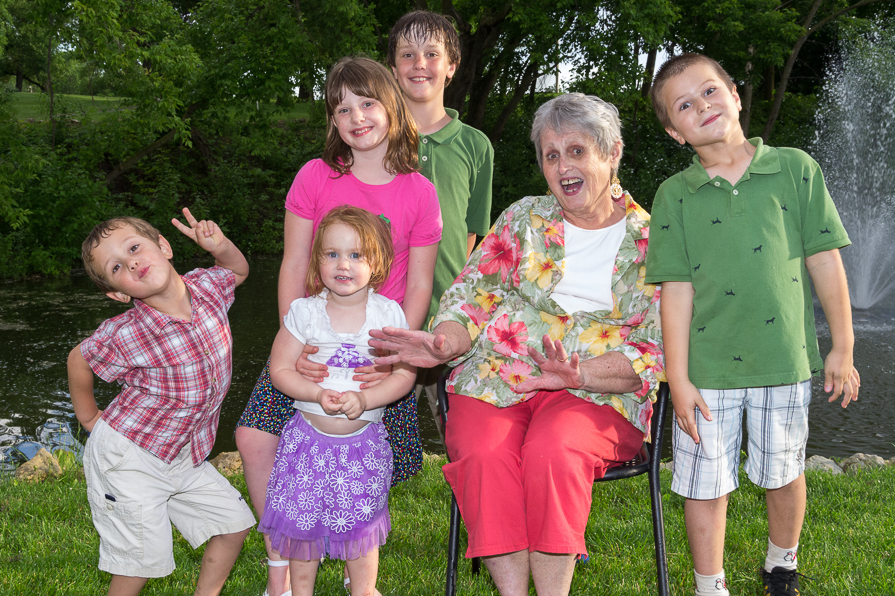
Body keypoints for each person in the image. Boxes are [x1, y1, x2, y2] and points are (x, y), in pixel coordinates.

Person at [368, 93, 665, 596]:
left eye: (577, 151)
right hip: (496, 375)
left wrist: (582, 375)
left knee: (554, 451)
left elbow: (659, 346)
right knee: (485, 454)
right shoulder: (524, 218)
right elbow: (470, 297)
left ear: (612, 153)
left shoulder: (652, 240)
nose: (563, 166)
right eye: (551, 155)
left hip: (596, 388)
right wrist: (445, 342)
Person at [645, 53, 860, 596]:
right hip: (707, 372)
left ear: (736, 95)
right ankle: (709, 583)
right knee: (704, 483)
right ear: (675, 132)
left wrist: (843, 347)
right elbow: (676, 291)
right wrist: (679, 377)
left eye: (711, 91)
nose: (704, 106)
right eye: (685, 105)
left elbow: (825, 261)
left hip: (782, 360)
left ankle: (781, 561)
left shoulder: (795, 168)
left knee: (783, 471)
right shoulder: (675, 195)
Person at [234, 56, 441, 596]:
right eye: (342, 107)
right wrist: (293, 340)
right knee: (253, 436)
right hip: (311, 339)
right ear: (332, 120)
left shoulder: (419, 190)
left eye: (367, 103)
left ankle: (358, 569)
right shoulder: (314, 176)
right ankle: (280, 557)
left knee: (367, 458)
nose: (356, 116)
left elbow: (419, 283)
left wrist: (395, 351)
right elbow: (292, 261)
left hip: (378, 349)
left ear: (392, 107)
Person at [67, 209, 255, 596]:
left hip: (183, 453)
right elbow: (79, 358)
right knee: (140, 563)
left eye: (135, 247)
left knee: (233, 524)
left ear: (164, 247)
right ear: (118, 294)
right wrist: (89, 417)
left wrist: (220, 247)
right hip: (129, 459)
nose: (132, 261)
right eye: (117, 266)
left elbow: (237, 271)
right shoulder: (126, 332)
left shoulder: (206, 288)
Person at [259, 206, 416, 596]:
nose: (343, 264)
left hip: (363, 446)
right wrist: (314, 392)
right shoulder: (304, 312)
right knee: (302, 525)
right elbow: (280, 369)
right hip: (306, 442)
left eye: (356, 255)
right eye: (332, 254)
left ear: (376, 263)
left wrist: (366, 399)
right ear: (317, 261)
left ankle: (362, 589)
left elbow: (405, 375)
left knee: (360, 527)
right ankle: (300, 591)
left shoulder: (388, 314)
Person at [385, 9, 495, 437]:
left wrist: (455, 304)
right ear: (393, 68)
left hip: (449, 316)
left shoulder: (476, 146)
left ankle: (467, 500)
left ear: (451, 67)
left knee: (462, 433)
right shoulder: (374, 136)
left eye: (431, 53)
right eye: (407, 54)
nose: (419, 64)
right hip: (387, 307)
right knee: (374, 432)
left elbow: (471, 233)